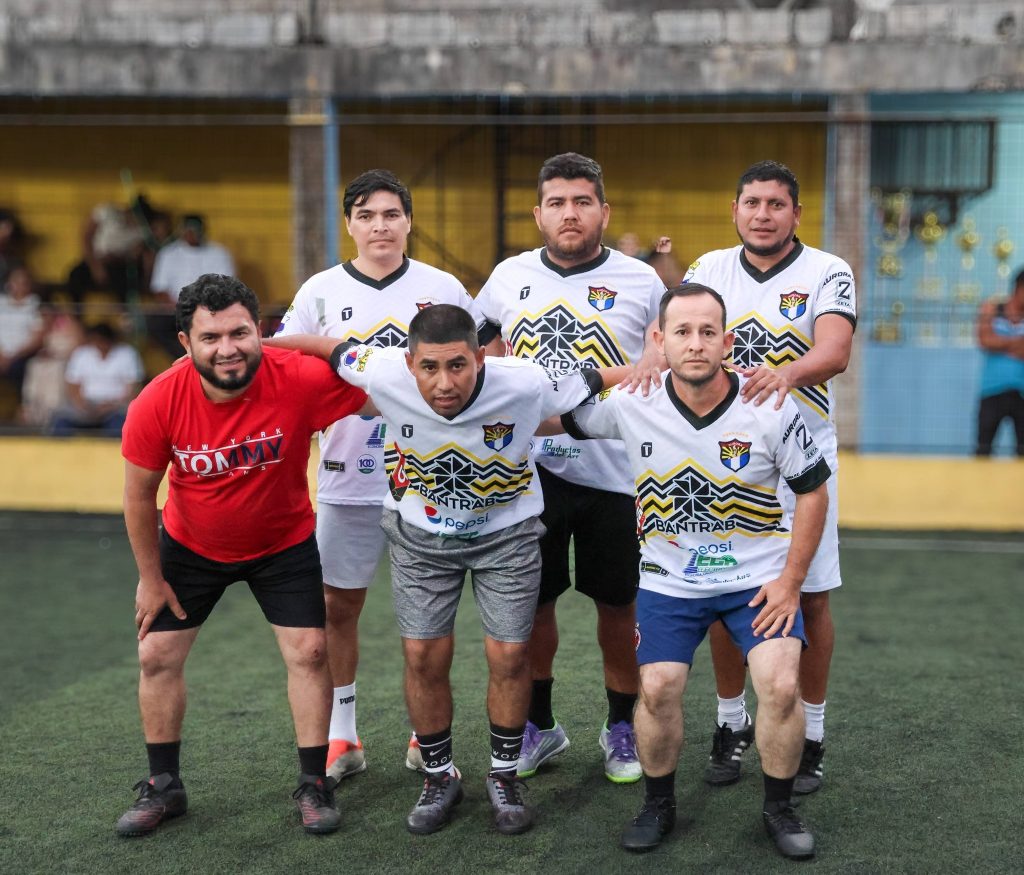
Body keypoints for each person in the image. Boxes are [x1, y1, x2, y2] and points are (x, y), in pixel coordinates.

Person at [269, 304, 631, 836]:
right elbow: (327, 348)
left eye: (458, 365)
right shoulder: (382, 370)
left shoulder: (527, 381)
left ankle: (504, 776)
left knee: (510, 655)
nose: (445, 382)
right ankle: (440, 776)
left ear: (481, 357)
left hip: (507, 536)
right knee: (422, 657)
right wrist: (257, 348)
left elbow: (596, 377)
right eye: (430, 367)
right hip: (419, 538)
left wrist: (658, 363)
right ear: (408, 363)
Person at [560, 284, 830, 858]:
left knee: (781, 685)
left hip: (757, 581)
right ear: (660, 340)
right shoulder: (634, 400)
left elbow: (813, 491)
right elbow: (554, 417)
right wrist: (620, 371)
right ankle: (658, 804)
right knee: (658, 687)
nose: (696, 343)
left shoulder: (769, 403)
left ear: (727, 341)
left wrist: (790, 582)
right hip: (669, 582)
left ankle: (779, 809)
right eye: (682, 332)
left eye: (708, 332)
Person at [116, 274, 368, 838]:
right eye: (210, 338)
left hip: (283, 544)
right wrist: (150, 579)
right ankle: (164, 786)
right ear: (186, 342)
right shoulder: (158, 400)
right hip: (191, 546)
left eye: (239, 333)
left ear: (261, 331)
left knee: (310, 652)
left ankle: (314, 783)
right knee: (155, 655)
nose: (226, 348)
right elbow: (137, 495)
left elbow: (380, 384)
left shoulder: (298, 377)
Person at [275, 169, 479, 782]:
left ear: (409, 221)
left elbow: (480, 365)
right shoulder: (319, 291)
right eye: (366, 215)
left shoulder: (443, 287)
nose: (379, 226)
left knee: (430, 615)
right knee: (338, 606)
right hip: (347, 477)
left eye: (391, 214)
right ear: (349, 224)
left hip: (432, 477)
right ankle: (342, 736)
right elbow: (284, 361)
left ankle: (426, 734)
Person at [475, 153, 665, 784]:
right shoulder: (508, 276)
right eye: (557, 203)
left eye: (582, 202)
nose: (570, 214)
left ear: (603, 211)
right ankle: (539, 725)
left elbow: (667, 358)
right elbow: (476, 352)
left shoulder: (642, 281)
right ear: (538, 214)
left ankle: (621, 727)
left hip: (618, 474)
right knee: (534, 607)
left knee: (619, 607)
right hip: (527, 472)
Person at [683, 160, 855, 794]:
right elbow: (677, 338)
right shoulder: (708, 269)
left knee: (811, 596)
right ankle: (731, 721)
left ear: (796, 214)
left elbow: (834, 351)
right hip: (723, 459)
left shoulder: (828, 270)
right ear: (734, 209)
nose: (762, 214)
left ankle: (811, 732)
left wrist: (785, 375)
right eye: (751, 202)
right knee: (726, 592)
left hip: (802, 458)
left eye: (776, 204)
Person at [148, 214, 236, 359]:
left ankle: (200, 357)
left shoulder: (219, 253)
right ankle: (188, 357)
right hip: (175, 309)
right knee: (155, 324)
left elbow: (226, 287)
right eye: (187, 230)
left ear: (203, 231)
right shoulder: (168, 253)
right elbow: (160, 289)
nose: (190, 234)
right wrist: (178, 308)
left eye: (194, 230)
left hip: (210, 309)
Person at [50, 322, 143, 437]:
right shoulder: (82, 353)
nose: (99, 344)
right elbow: (73, 387)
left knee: (119, 424)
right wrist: (83, 405)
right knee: (61, 421)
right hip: (86, 405)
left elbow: (133, 389)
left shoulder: (127, 354)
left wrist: (111, 405)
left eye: (102, 341)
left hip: (116, 407)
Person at [975, 268, 1024, 456]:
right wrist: (1017, 343)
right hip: (992, 390)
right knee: (983, 449)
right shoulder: (992, 309)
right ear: (1019, 288)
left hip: (1021, 392)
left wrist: (1001, 343)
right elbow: (985, 340)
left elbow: (993, 341)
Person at [0, 264, 47, 413]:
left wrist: (13, 356)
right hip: (1, 353)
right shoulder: (1, 302)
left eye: (24, 282)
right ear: (9, 283)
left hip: (22, 355)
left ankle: (24, 409)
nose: (20, 286)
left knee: (23, 368)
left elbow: (37, 338)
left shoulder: (36, 305)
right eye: (16, 281)